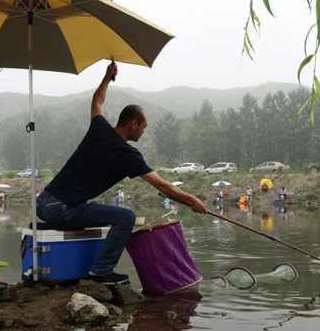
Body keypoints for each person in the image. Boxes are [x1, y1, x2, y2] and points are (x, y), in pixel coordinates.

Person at [36, 63, 208, 285]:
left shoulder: (100, 128)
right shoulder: (127, 154)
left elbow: (97, 101)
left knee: (103, 213)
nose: (143, 133)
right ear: (133, 124)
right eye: (143, 127)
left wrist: (107, 78)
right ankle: (100, 272)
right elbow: (162, 186)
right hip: (61, 209)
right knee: (125, 217)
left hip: (43, 202)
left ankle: (91, 267)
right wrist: (191, 200)